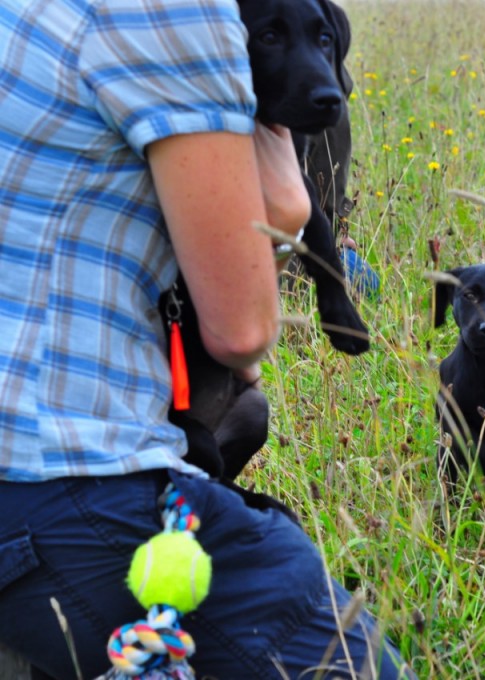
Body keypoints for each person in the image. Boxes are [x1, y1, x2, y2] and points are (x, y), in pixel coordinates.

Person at [0, 0, 413, 678]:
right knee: (355, 664)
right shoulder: (174, 13)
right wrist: (289, 204)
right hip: (57, 481)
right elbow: (243, 334)